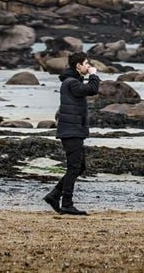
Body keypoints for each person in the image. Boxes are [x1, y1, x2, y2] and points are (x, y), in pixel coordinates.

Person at [44, 50, 100, 216]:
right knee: (74, 167)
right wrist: (94, 75)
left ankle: (54, 196)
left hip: (74, 130)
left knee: (79, 166)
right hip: (71, 131)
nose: (89, 66)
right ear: (78, 66)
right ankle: (66, 203)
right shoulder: (71, 83)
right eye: (86, 64)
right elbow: (92, 89)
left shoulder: (72, 81)